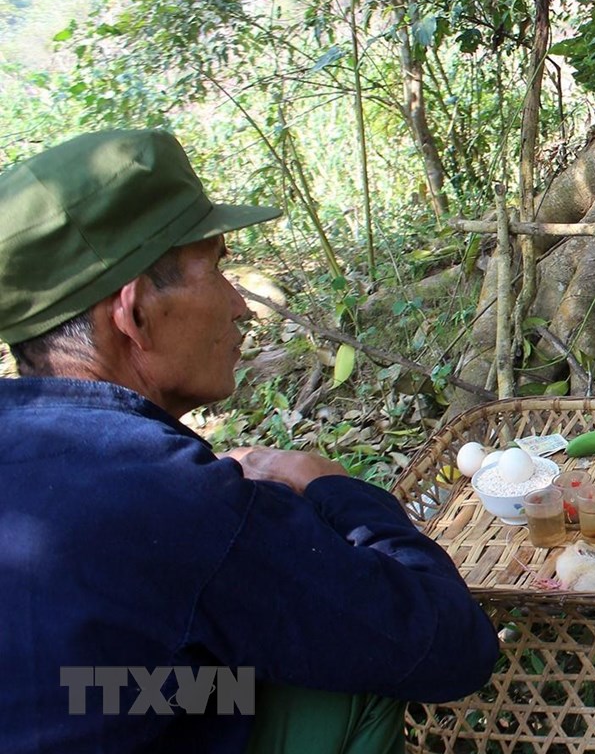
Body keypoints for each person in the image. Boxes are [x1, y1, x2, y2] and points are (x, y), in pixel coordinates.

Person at [0, 129, 499, 753]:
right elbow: (453, 645)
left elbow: (78, 684)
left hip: (84, 697)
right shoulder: (175, 499)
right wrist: (328, 482)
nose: (241, 305)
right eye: (216, 268)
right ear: (133, 314)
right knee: (351, 671)